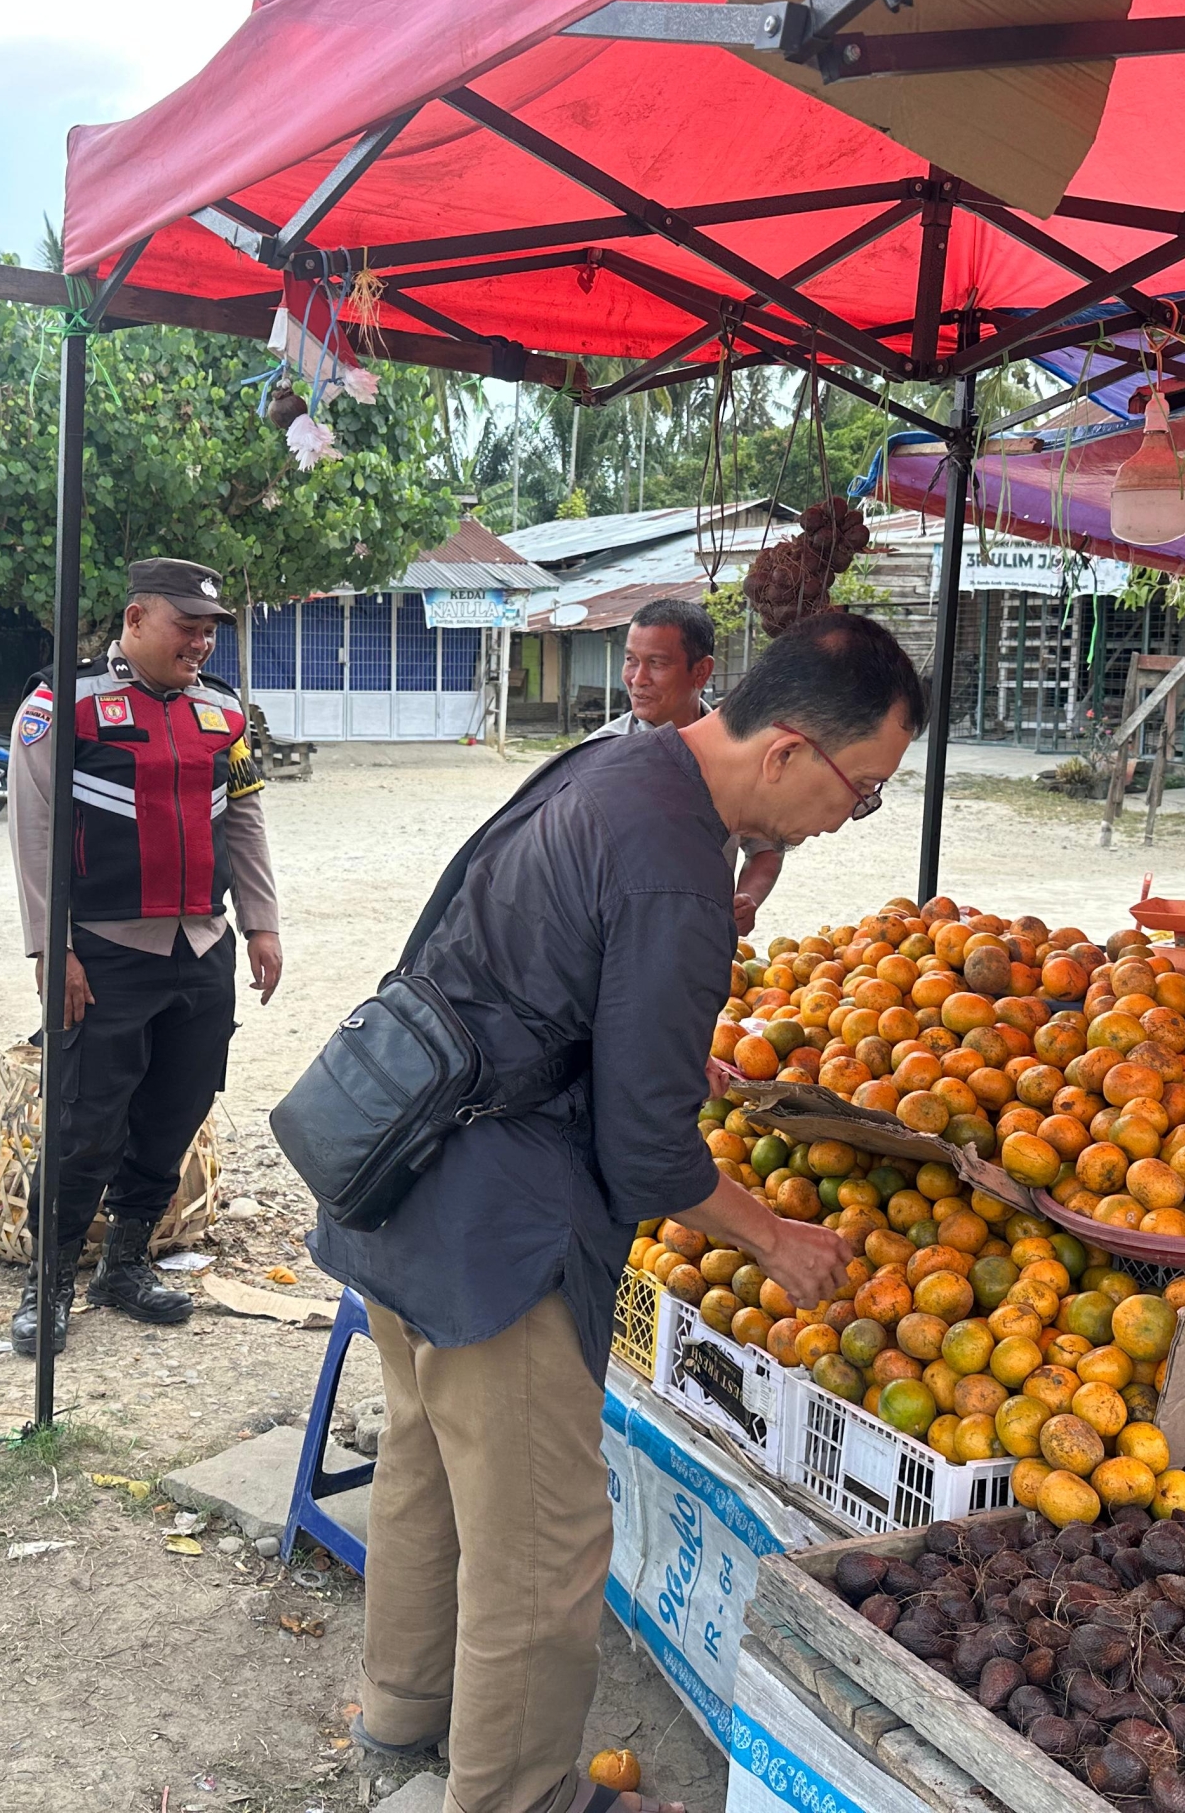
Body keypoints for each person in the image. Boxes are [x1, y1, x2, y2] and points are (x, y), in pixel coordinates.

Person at [313, 610, 925, 1813]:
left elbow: (499, 953)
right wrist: (775, 1237)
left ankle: (402, 1712)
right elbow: (646, 1154)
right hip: (500, 1228)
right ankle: (519, 1796)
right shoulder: (677, 871)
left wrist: (620, 1043)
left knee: (423, 1461)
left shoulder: (613, 762)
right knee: (542, 1550)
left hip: (397, 1165)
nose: (846, 822)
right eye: (861, 794)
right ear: (791, 751)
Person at [6, 558, 284, 1351]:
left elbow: (246, 819)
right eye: (186, 627)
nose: (201, 643)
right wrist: (49, 947)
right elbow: (34, 831)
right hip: (105, 951)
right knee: (87, 1117)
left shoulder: (223, 715)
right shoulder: (65, 705)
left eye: (208, 632)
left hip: (202, 946)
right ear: (135, 620)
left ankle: (124, 1261)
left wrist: (260, 924)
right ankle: (49, 1279)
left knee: (176, 1108)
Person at [590, 598, 786, 935]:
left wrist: (746, 898)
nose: (638, 679)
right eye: (631, 661)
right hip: (617, 942)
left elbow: (766, 849)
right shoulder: (602, 755)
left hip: (702, 941)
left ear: (701, 671)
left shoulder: (741, 756)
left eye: (657, 663)